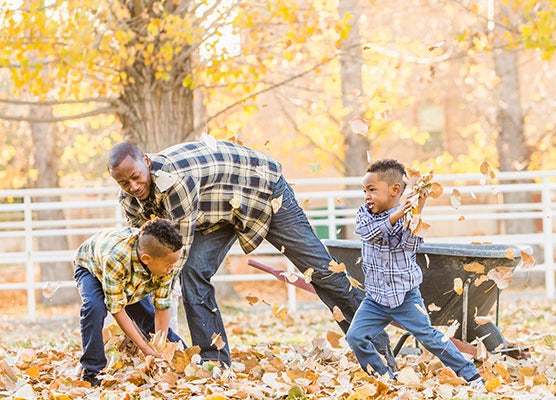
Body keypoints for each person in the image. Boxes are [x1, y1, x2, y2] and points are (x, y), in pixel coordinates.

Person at [106, 138, 393, 367]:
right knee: (194, 272)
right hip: (218, 208)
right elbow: (149, 254)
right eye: (124, 183)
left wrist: (161, 310)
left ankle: (376, 347)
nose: (133, 186)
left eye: (136, 177)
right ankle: (214, 362)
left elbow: (174, 256)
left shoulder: (175, 183)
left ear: (146, 161)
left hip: (262, 190)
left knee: (320, 271)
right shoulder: (129, 200)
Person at [345, 159, 485, 388]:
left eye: (372, 190)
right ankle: (384, 377)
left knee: (430, 337)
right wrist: (397, 214)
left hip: (406, 296)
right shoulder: (365, 214)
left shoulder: (409, 219)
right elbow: (366, 232)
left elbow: (409, 246)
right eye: (364, 190)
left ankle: (470, 374)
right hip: (376, 299)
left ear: (395, 190)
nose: (366, 196)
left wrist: (416, 210)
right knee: (355, 337)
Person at [74, 218, 186, 386]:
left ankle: (184, 356)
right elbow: (117, 308)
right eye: (169, 265)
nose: (172, 269)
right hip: (91, 266)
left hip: (131, 276)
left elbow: (161, 307)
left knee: (148, 317)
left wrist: (159, 347)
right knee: (94, 308)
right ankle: (92, 370)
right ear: (147, 259)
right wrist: (144, 348)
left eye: (173, 264)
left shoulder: (165, 262)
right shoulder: (116, 259)